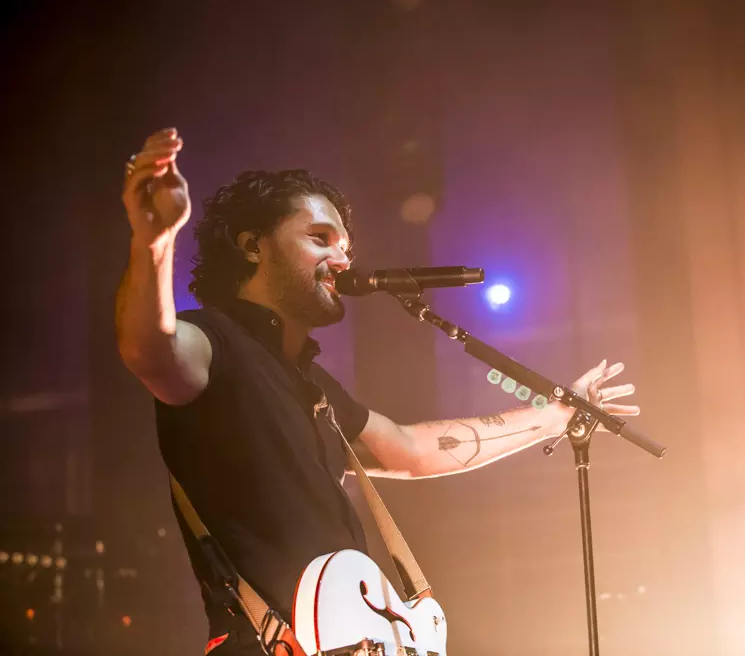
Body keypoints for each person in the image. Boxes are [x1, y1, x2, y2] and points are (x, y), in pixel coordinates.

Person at [115, 127, 640, 655]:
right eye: (320, 239)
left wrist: (556, 414)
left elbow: (411, 450)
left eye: (345, 246)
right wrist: (153, 240)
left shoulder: (315, 387)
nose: (342, 259)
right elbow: (149, 349)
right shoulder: (212, 341)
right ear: (254, 246)